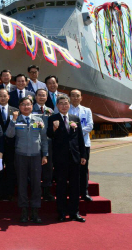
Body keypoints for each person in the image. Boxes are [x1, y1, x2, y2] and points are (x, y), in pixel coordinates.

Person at [6, 96, 48, 224]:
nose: (26, 107)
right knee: (22, 184)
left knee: (36, 184)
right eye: (23, 104)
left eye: (28, 104)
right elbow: (9, 135)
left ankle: (35, 212)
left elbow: (44, 139)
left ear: (32, 106)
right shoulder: (15, 120)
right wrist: (13, 120)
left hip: (36, 156)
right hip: (21, 155)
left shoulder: (39, 120)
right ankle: (24, 212)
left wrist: (45, 155)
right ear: (19, 107)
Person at [47, 95, 87, 223]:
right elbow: (49, 135)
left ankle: (75, 213)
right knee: (61, 186)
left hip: (75, 157)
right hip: (60, 159)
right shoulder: (53, 118)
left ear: (69, 105)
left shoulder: (75, 119)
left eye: (66, 103)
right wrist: (54, 128)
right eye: (61, 103)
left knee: (75, 186)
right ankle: (62, 212)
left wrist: (83, 155)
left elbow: (80, 138)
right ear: (57, 106)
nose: (64, 106)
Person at [0, 88, 19, 200]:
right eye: (0, 96)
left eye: (5, 96)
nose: (3, 98)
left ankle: (9, 193)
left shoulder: (15, 111)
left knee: (10, 169)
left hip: (11, 145)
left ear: (8, 97)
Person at [69, 89, 94, 202]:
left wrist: (77, 132)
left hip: (84, 144)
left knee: (83, 169)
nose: (75, 98)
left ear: (81, 98)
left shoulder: (87, 110)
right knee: (70, 169)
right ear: (69, 97)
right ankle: (71, 192)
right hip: (69, 145)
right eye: (73, 96)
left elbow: (90, 126)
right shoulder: (65, 109)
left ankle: (84, 192)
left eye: (77, 96)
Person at [33, 88, 55, 201]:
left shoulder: (50, 111)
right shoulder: (30, 109)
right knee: (34, 168)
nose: (42, 97)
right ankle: (35, 192)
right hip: (34, 142)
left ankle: (47, 191)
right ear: (35, 97)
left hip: (48, 143)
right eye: (39, 95)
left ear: (47, 97)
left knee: (48, 168)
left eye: (44, 95)